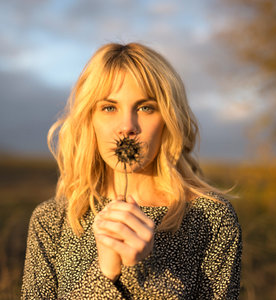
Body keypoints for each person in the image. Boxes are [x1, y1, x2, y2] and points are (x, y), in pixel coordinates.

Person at [21, 43, 242, 299]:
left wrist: (143, 271)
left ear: (168, 120)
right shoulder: (52, 220)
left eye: (146, 107)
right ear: (89, 118)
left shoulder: (211, 219)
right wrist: (105, 271)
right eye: (109, 107)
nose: (127, 126)